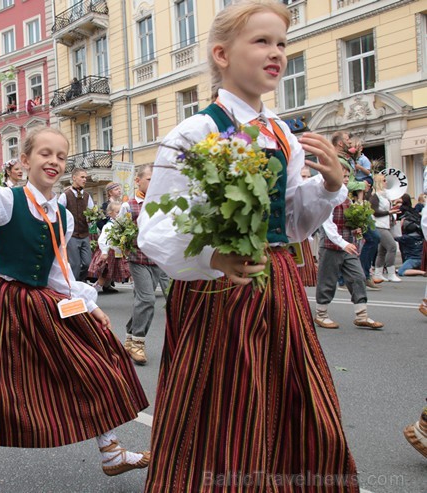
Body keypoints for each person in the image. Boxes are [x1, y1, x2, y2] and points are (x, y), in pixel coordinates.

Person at [138, 2, 358, 491]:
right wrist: (212, 256)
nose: (276, 52)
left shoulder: (281, 132)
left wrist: (327, 187)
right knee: (223, 408)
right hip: (219, 290)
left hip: (277, 282)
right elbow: (155, 229)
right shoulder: (195, 131)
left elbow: (292, 223)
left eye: (281, 43)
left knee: (294, 400)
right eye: (261, 41)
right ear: (221, 53)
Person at [0, 127, 149, 493]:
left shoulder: (63, 215)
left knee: (84, 366)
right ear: (25, 161)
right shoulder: (6, 200)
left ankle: (110, 451)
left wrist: (88, 306)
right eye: (45, 153)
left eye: (60, 155)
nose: (53, 161)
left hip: (44, 301)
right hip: (3, 302)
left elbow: (59, 271)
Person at [314, 164, 383, 329]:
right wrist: (343, 243)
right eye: (343, 176)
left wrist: (358, 232)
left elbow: (351, 221)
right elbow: (327, 225)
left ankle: (362, 315)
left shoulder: (346, 195)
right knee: (327, 280)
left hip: (348, 246)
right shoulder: (328, 196)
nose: (346, 180)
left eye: (347, 176)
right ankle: (321, 314)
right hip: (331, 245)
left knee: (358, 277)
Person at [120, 165, 169, 366]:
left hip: (159, 259)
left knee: (166, 297)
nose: (153, 182)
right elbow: (120, 233)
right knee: (147, 299)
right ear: (138, 181)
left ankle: (130, 338)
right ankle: (138, 343)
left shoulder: (161, 203)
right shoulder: (129, 206)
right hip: (138, 259)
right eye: (149, 179)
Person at [58, 169, 94, 282]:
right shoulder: (65, 196)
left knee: (88, 263)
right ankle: (74, 286)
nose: (84, 180)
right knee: (75, 264)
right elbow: (58, 214)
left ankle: (79, 281)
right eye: (82, 177)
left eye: (85, 178)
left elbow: (92, 213)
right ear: (74, 178)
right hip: (71, 235)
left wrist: (92, 218)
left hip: (84, 234)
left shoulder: (87, 196)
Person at [88, 200, 130, 293]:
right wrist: (104, 252)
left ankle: (106, 286)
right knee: (105, 271)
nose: (119, 215)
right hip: (109, 251)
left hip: (116, 252)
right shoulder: (109, 226)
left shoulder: (119, 224)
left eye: (121, 212)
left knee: (114, 270)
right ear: (110, 213)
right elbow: (102, 239)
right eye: (117, 212)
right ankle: (95, 289)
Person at [370, 173, 401, 282]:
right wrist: (389, 212)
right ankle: (391, 273)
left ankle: (378, 273)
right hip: (379, 226)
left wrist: (392, 210)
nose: (386, 182)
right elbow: (374, 212)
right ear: (379, 182)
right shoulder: (375, 196)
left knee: (382, 250)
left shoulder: (384, 196)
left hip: (384, 225)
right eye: (384, 180)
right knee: (392, 247)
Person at [297, 166, 318, 287]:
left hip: (303, 240)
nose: (306, 179)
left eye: (308, 176)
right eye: (303, 176)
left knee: (299, 280)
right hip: (289, 240)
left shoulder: (310, 196)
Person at [360, 175, 381, 289]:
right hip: (350, 206)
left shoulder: (370, 193)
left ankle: (365, 274)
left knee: (374, 238)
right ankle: (342, 278)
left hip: (362, 210)